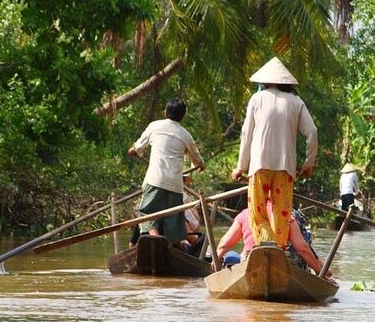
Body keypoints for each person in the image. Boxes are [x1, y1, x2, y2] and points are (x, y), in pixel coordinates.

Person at [231, 57, 318, 249]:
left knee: (258, 212)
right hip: (286, 169)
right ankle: (277, 249)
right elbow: (312, 132)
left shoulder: (257, 99)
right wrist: (308, 164)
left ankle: (265, 245)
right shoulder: (296, 101)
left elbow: (247, 133)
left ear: (265, 81)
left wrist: (240, 167)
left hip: (259, 166)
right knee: (281, 214)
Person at [128, 98, 205, 247]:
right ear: (182, 116)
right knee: (174, 220)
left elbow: (137, 147)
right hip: (176, 186)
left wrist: (134, 150)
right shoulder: (185, 135)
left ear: (165, 112)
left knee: (147, 212)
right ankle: (175, 247)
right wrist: (201, 165)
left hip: (155, 180)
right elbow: (198, 160)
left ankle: (156, 241)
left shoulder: (155, 126)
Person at [214, 204, 331, 278]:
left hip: (249, 261)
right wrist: (320, 273)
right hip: (280, 261)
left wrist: (216, 261)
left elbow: (224, 244)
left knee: (233, 257)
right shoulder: (286, 215)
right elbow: (303, 248)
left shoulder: (246, 213)